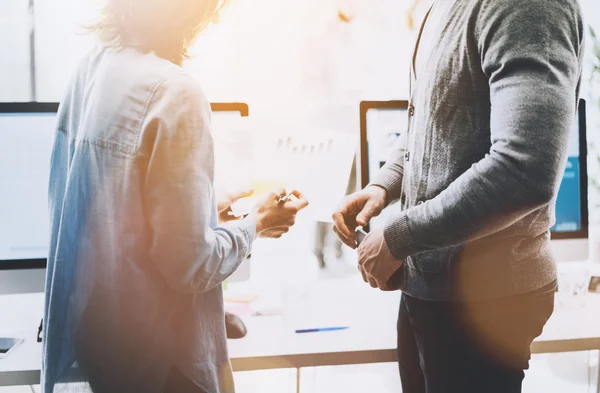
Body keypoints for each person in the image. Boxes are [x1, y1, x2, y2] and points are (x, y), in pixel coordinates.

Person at [42, 1, 308, 392]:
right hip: (163, 365)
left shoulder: (93, 67)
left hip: (106, 354)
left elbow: (109, 209)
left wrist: (203, 211)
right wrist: (257, 224)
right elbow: (191, 266)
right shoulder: (174, 92)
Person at [333, 0, 584, 392]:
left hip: (484, 305)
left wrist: (400, 235)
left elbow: (524, 169)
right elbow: (433, 121)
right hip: (433, 286)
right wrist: (383, 186)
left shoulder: (528, 6)